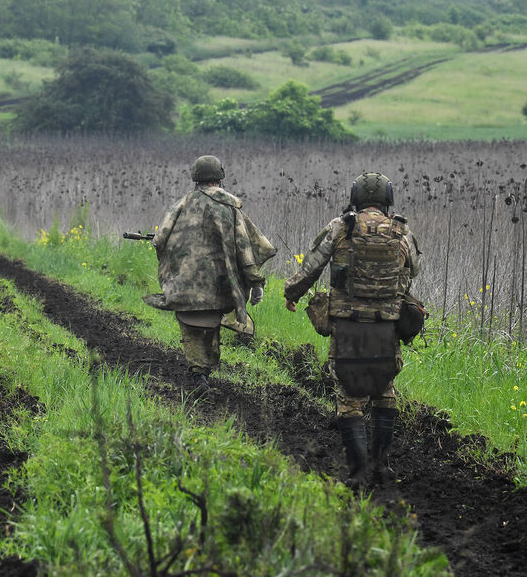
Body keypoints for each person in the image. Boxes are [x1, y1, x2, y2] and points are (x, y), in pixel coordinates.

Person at [284, 172, 421, 487]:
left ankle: (358, 472)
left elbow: (310, 268)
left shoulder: (340, 227)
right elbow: (414, 268)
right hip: (387, 329)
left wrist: (292, 294)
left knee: (348, 396)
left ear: (355, 197)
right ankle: (382, 467)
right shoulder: (401, 230)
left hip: (346, 328)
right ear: (387, 199)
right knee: (385, 392)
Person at [144, 155, 276, 391]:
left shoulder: (180, 205)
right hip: (219, 285)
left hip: (184, 285)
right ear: (219, 178)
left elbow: (159, 241)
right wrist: (256, 282)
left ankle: (198, 373)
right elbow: (247, 248)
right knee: (211, 321)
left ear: (196, 178)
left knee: (191, 324)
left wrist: (174, 269)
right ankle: (202, 372)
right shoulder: (230, 207)